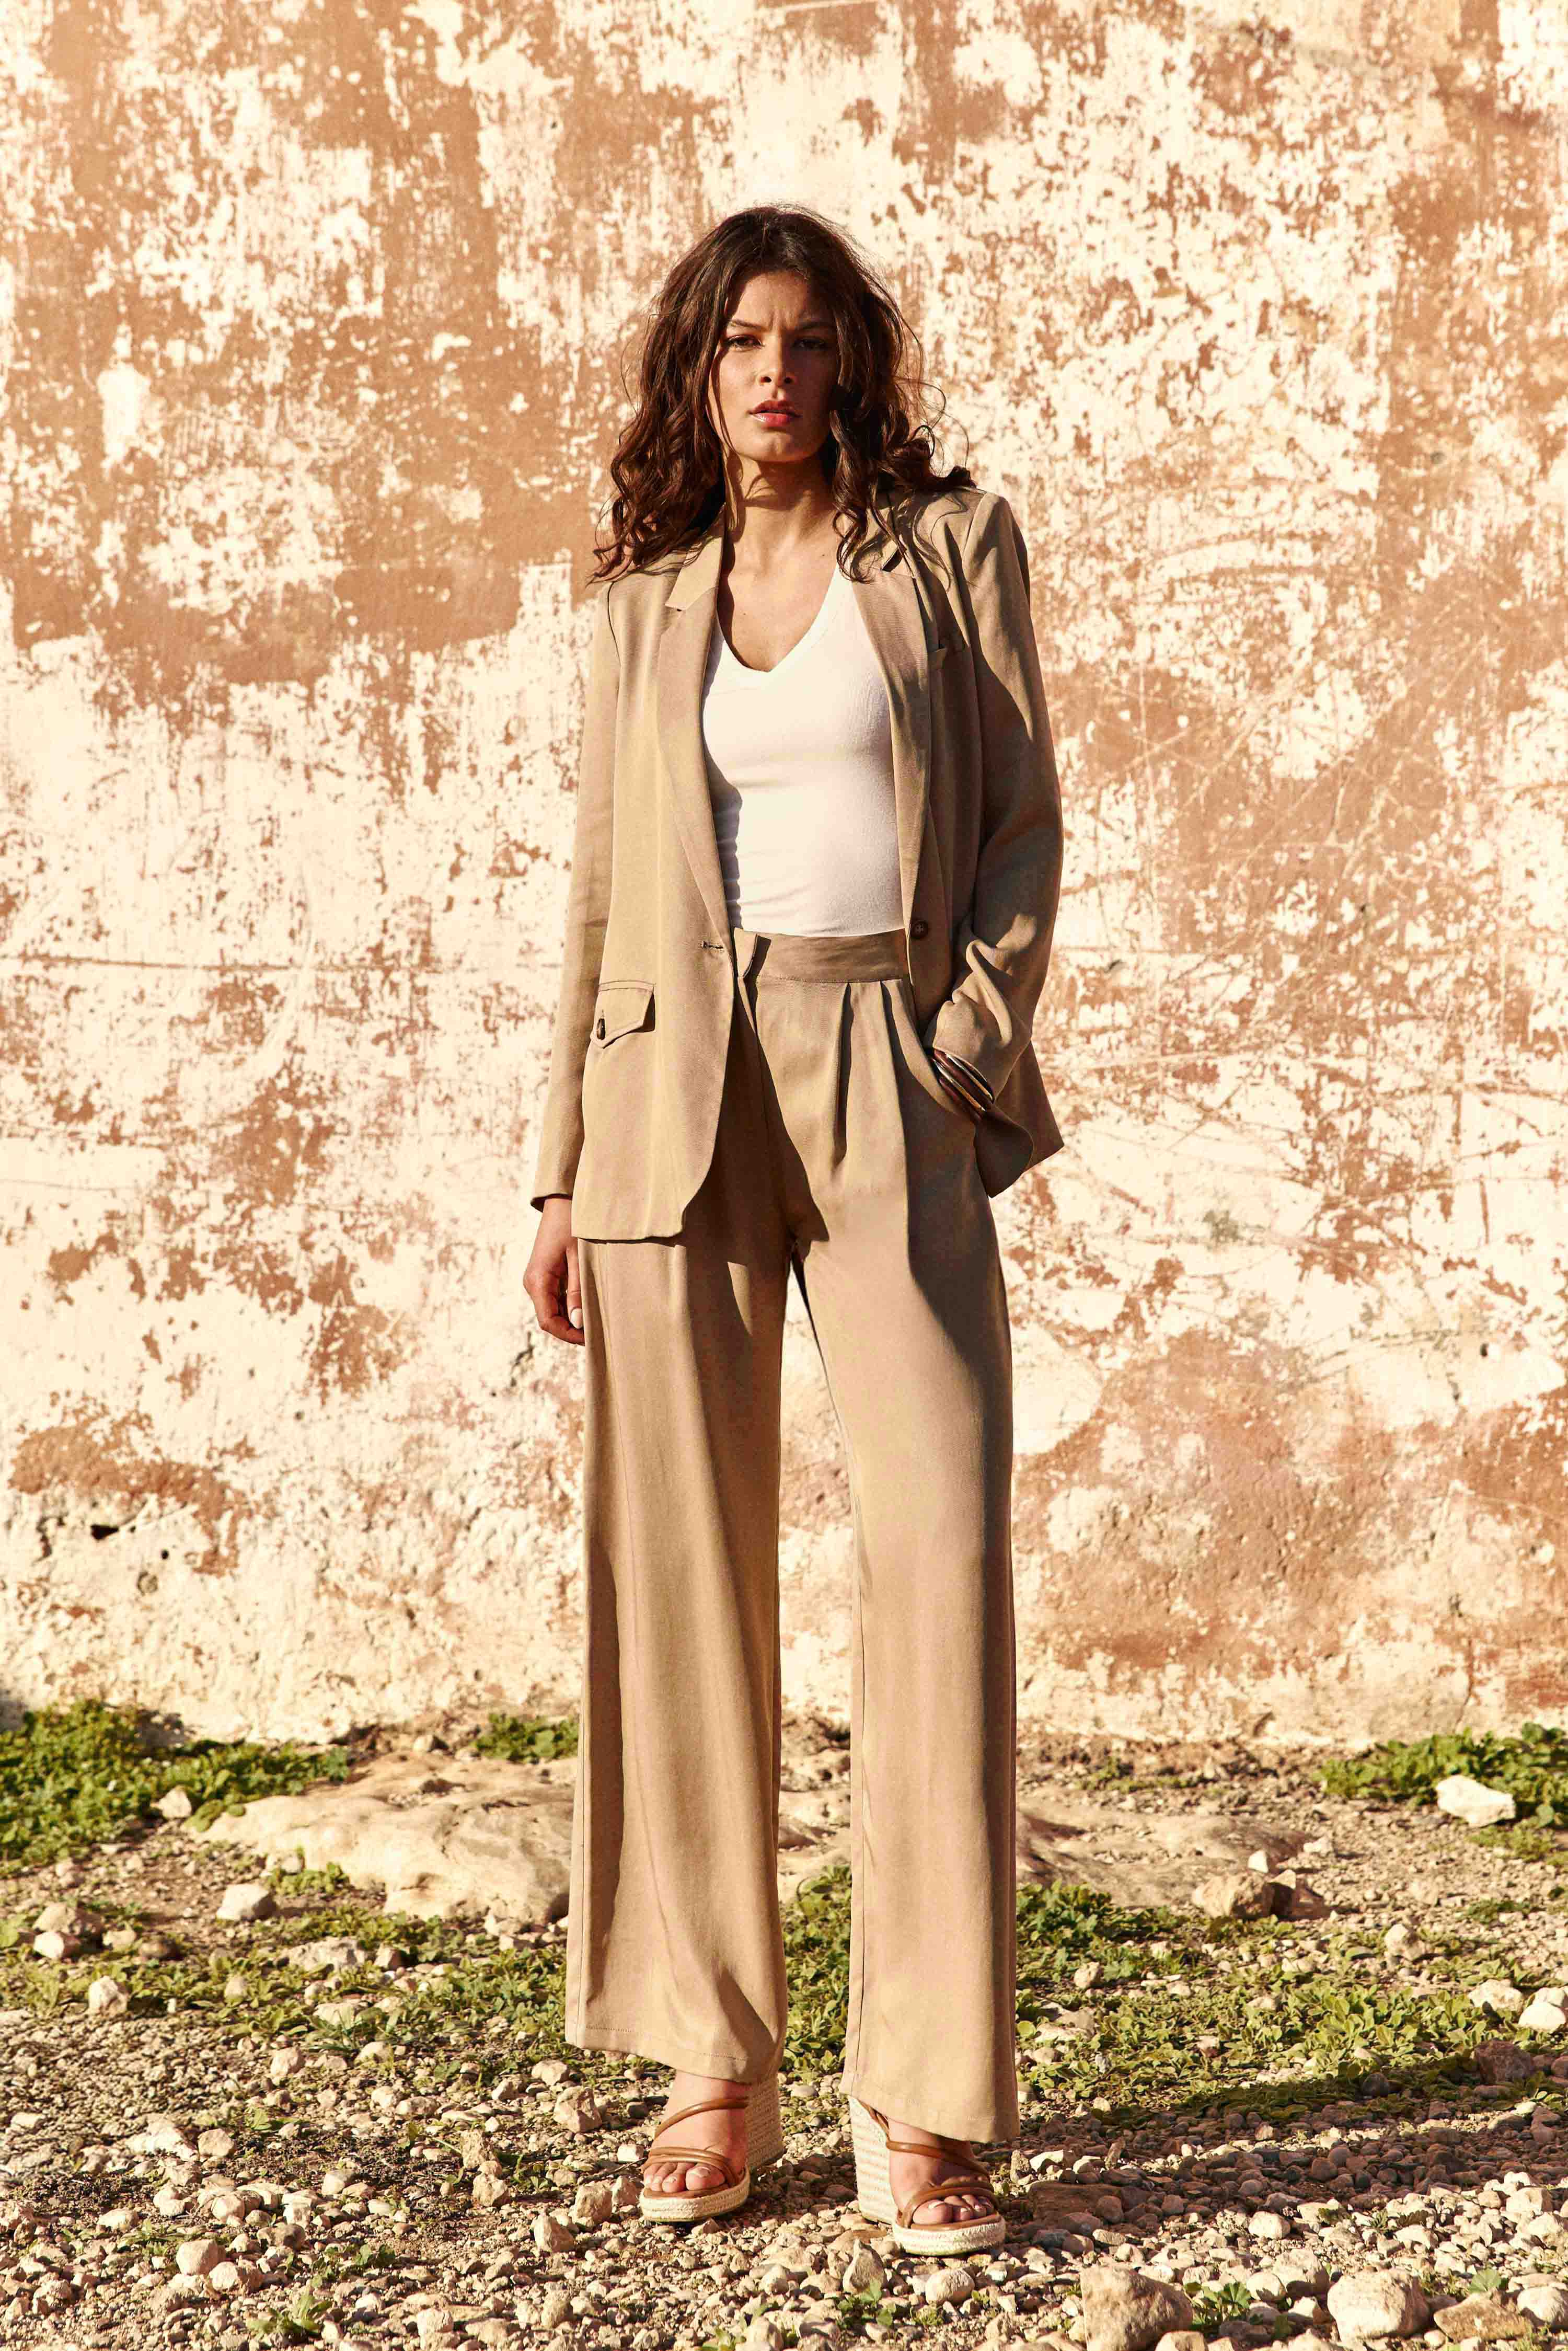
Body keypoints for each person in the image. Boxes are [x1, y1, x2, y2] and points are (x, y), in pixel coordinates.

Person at [523, 202, 1065, 2251]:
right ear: (699, 369)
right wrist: (559, 1170)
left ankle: (925, 2089)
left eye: (809, 339)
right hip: (670, 1088)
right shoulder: (645, 605)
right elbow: (598, 898)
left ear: (853, 364)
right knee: (681, 1577)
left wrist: (961, 1046)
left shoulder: (952, 551)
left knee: (940, 1546)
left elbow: (1020, 821)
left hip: (881, 1063)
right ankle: (713, 2060)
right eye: (741, 341)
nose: (774, 372)